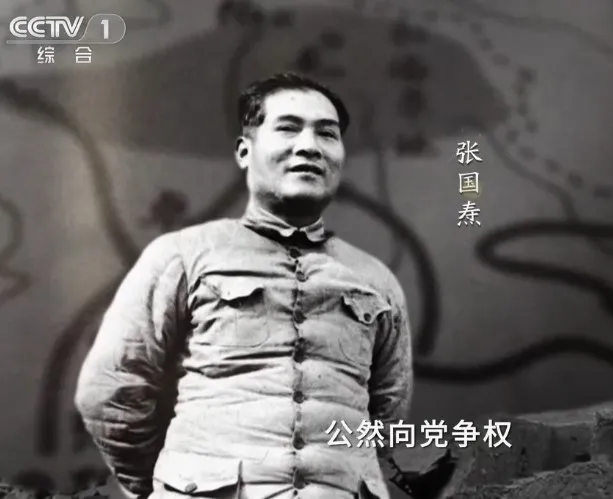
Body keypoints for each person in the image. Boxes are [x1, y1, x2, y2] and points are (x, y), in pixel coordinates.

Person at [74, 72, 414, 499]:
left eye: (327, 134)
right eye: (288, 128)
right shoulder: (182, 255)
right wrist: (169, 485)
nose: (309, 146)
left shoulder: (376, 279)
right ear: (243, 151)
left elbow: (387, 411)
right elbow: (111, 390)